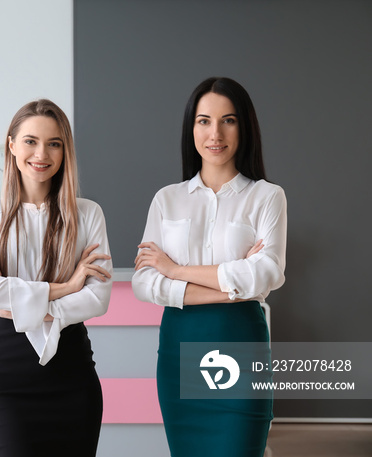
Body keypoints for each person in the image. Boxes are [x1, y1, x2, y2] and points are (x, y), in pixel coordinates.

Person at [132, 77, 286, 457]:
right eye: (204, 121)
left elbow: (268, 273)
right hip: (179, 349)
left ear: (244, 127)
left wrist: (176, 269)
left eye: (228, 120)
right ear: (191, 128)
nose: (215, 133)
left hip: (241, 344)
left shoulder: (267, 196)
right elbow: (144, 283)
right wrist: (232, 287)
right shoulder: (166, 199)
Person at [0, 99, 113, 456]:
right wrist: (66, 288)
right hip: (9, 372)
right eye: (31, 141)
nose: (41, 153)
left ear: (65, 151)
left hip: (72, 372)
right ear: (12, 145)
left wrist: (21, 304)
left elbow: (98, 299)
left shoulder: (87, 214)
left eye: (54, 143)